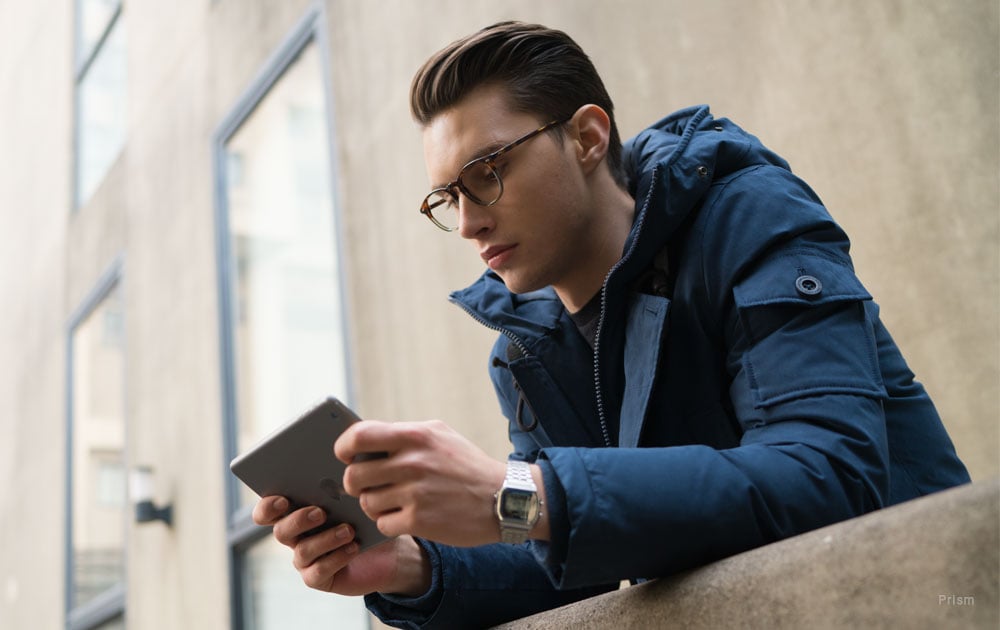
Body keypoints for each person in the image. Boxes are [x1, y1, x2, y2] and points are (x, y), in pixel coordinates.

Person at [252, 20, 970, 629]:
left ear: (589, 138)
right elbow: (570, 564)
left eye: (487, 171)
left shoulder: (746, 218)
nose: (468, 220)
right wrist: (410, 567)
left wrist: (518, 493)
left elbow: (828, 477)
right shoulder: (525, 350)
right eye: (447, 196)